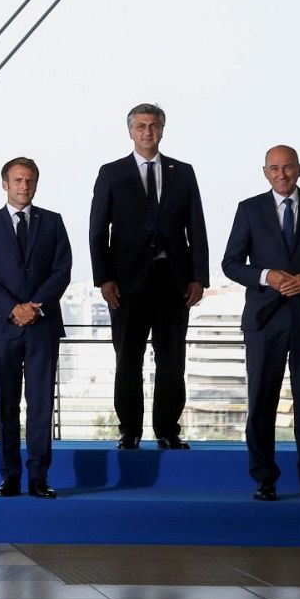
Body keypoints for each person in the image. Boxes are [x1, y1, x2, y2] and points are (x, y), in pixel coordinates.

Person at [220, 145, 300, 502]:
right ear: (265, 172)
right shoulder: (249, 210)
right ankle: (265, 479)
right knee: (261, 402)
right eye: (274, 168)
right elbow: (230, 263)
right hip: (264, 321)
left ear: (299, 169)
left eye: (288, 167)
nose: (282, 174)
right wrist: (266, 276)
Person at [88, 103, 209, 450]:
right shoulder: (111, 173)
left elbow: (196, 227)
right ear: (130, 131)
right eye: (140, 126)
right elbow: (98, 231)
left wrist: (198, 275)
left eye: (153, 126)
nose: (147, 132)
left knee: (172, 357)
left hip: (173, 280)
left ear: (162, 130)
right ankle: (130, 430)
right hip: (126, 284)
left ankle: (168, 429)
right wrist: (104, 279)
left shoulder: (182, 172)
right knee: (128, 358)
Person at [0, 157, 72, 499]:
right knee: (6, 407)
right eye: (17, 180)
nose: (23, 186)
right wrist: (13, 308)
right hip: (2, 327)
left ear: (36, 183)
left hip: (42, 326)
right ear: (5, 184)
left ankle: (39, 477)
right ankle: (9, 476)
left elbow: (62, 270)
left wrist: (34, 308)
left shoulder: (54, 223)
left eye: (29, 180)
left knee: (41, 405)